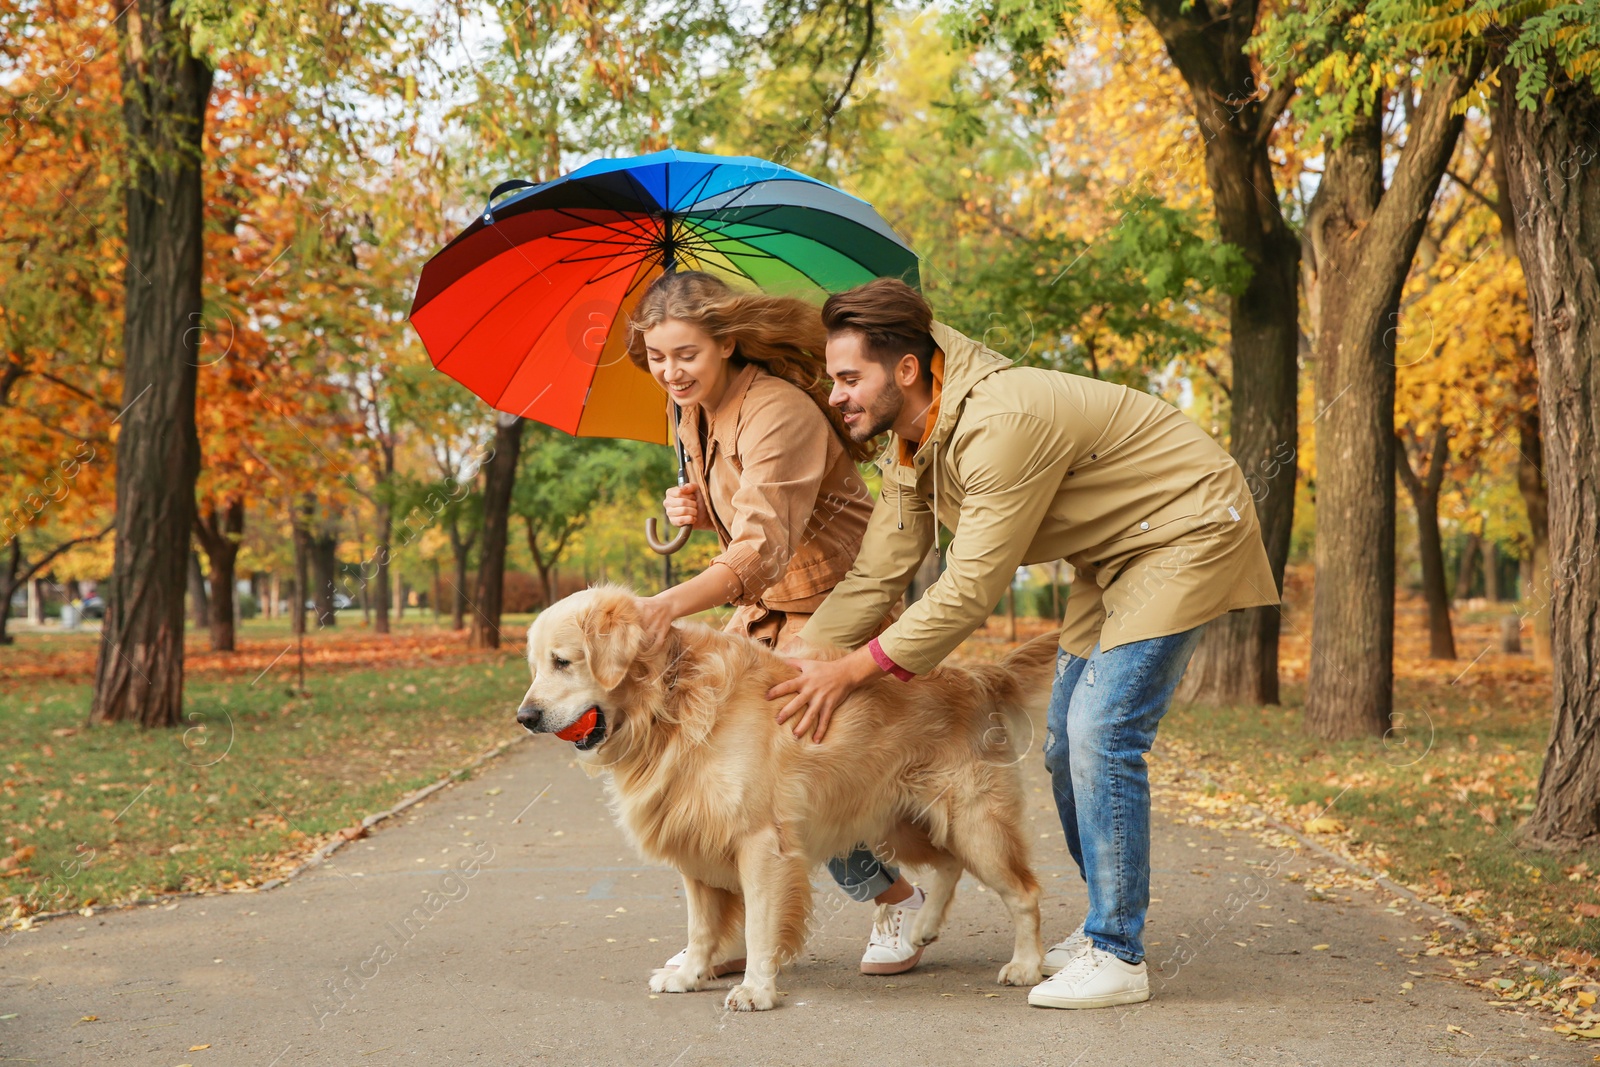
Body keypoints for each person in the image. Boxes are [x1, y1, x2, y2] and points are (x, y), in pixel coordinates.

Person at [768, 277, 1280, 1009]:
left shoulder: (998, 422)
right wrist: (802, 658)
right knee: (1063, 746)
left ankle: (1117, 949)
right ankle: (1107, 923)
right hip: (1114, 554)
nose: (837, 395)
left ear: (905, 370)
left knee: (1101, 732)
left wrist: (852, 670)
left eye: (850, 378)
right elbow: (883, 563)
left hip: (1185, 528)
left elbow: (971, 586)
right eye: (833, 379)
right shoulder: (914, 440)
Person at [624, 270, 935, 977]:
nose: (670, 371)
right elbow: (752, 517)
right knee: (703, 751)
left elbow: (762, 547)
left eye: (686, 355)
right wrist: (702, 508)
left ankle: (898, 896)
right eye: (657, 356)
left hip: (841, 599)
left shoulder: (780, 411)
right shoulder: (690, 410)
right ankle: (733, 931)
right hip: (769, 606)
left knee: (788, 756)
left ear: (728, 342)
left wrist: (670, 604)